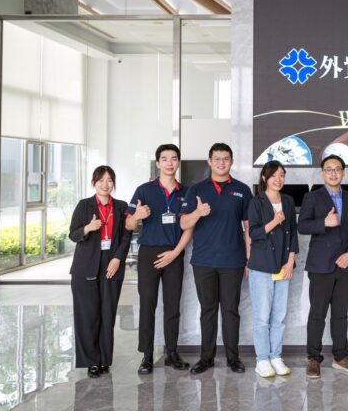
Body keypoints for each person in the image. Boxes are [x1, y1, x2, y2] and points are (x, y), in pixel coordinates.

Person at [180, 143, 253, 374]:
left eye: (226, 159)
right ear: (209, 162)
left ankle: (233, 358)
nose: (221, 163)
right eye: (217, 159)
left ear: (231, 162)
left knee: (231, 310)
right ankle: (206, 358)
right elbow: (183, 223)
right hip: (203, 261)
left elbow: (248, 227)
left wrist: (249, 259)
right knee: (208, 310)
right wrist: (197, 213)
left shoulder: (242, 190)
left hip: (233, 260)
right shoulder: (196, 190)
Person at [126, 144, 193, 375]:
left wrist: (175, 253)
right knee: (148, 304)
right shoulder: (144, 190)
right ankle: (146, 355)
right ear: (158, 163)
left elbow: (189, 228)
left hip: (175, 253)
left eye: (174, 159)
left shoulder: (187, 192)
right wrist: (137, 216)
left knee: (173, 305)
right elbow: (128, 224)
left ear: (178, 162)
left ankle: (171, 352)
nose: (169, 163)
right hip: (148, 253)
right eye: (164, 159)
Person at [298, 155, 348, 379]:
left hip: (345, 265)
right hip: (320, 265)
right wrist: (323, 223)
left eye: (337, 169)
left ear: (343, 172)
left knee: (340, 314)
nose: (333, 173)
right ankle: (313, 358)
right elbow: (302, 226)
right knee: (317, 314)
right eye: (329, 169)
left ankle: (341, 357)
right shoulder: (312, 197)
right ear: (322, 173)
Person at [69, 166, 131, 378]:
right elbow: (73, 234)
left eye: (110, 180)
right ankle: (91, 362)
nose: (105, 184)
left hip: (112, 265)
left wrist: (117, 258)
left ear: (114, 183)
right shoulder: (84, 205)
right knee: (87, 315)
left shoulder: (121, 207)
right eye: (101, 180)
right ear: (93, 183)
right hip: (86, 265)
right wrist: (88, 228)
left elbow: (126, 236)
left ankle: (104, 360)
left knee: (107, 313)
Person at [246, 161, 299, 378]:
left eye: (282, 175)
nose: (279, 179)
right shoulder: (256, 202)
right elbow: (254, 233)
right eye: (274, 175)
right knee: (262, 317)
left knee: (279, 316)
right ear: (264, 178)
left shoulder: (288, 200)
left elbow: (293, 233)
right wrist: (275, 221)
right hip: (261, 266)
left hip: (282, 266)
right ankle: (262, 359)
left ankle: (276, 356)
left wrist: (290, 261)